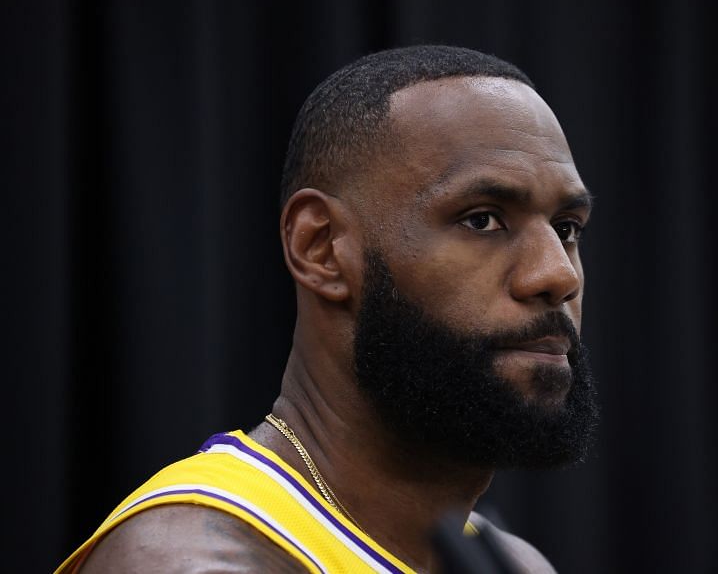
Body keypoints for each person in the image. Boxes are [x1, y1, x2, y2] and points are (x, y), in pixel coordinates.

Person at [57, 44, 598, 573]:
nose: (557, 274)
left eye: (566, 229)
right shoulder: (191, 561)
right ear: (321, 249)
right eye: (482, 219)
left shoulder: (514, 561)